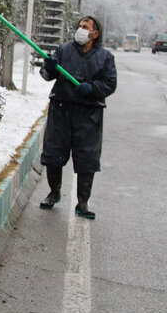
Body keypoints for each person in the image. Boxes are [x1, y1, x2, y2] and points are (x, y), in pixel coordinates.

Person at [38, 15, 117, 219]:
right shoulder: (64, 50)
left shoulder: (105, 57)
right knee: (53, 153)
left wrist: (91, 88)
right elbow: (47, 75)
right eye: (79, 26)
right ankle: (53, 193)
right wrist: (49, 66)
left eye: (85, 26)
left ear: (95, 33)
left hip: (88, 114)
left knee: (86, 157)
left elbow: (110, 84)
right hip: (61, 109)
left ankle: (82, 203)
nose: (80, 29)